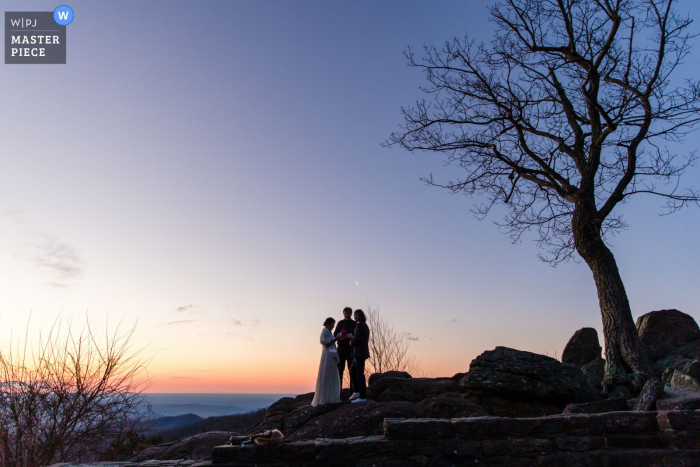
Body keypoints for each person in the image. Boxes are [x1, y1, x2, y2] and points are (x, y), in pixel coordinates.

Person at [311, 317, 342, 407]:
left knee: (331, 373)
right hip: (328, 354)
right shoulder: (325, 332)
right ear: (328, 324)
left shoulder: (328, 332)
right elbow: (327, 344)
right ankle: (326, 397)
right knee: (327, 372)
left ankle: (331, 396)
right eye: (332, 324)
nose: (333, 326)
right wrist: (336, 339)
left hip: (330, 354)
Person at [333, 307, 356, 394]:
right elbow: (335, 334)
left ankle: (352, 392)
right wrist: (340, 336)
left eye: (348, 314)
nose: (347, 315)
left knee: (352, 370)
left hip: (351, 349)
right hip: (341, 348)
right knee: (340, 370)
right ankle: (338, 392)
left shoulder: (354, 324)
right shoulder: (340, 323)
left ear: (351, 314)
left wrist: (351, 337)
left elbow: (356, 335)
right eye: (345, 314)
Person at [348, 309, 370, 403]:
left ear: (358, 316)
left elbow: (358, 339)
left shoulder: (360, 325)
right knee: (352, 370)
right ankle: (356, 391)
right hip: (360, 352)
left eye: (355, 315)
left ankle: (362, 396)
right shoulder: (363, 325)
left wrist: (351, 342)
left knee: (359, 373)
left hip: (359, 353)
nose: (353, 317)